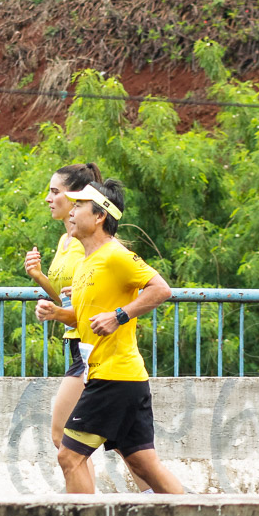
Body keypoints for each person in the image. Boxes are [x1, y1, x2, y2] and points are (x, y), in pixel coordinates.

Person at [35, 179, 184, 494]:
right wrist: (55, 312)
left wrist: (120, 316)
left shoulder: (115, 255)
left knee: (69, 455)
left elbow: (161, 289)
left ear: (100, 216)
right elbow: (85, 318)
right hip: (118, 377)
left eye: (78, 206)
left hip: (115, 376)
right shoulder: (85, 263)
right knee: (145, 465)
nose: (71, 213)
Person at [25, 164, 150, 492]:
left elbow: (131, 288)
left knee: (64, 440)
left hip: (94, 347)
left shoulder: (92, 241)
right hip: (77, 342)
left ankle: (86, 510)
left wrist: (117, 315)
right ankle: (161, 501)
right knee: (128, 449)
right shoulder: (66, 240)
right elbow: (73, 300)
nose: (49, 199)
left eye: (56, 192)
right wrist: (40, 280)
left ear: (78, 197)